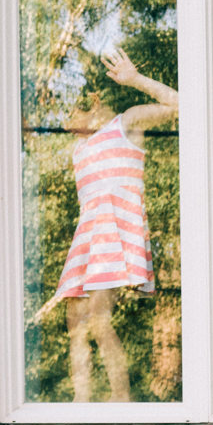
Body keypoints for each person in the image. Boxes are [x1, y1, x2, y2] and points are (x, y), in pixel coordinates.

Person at [46, 46, 178, 402]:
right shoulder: (79, 148)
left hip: (113, 238)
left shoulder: (126, 123)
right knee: (76, 326)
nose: (63, 120)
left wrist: (135, 80)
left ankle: (122, 402)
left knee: (99, 322)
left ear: (91, 99)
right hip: (89, 240)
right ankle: (81, 403)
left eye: (68, 109)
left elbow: (183, 105)